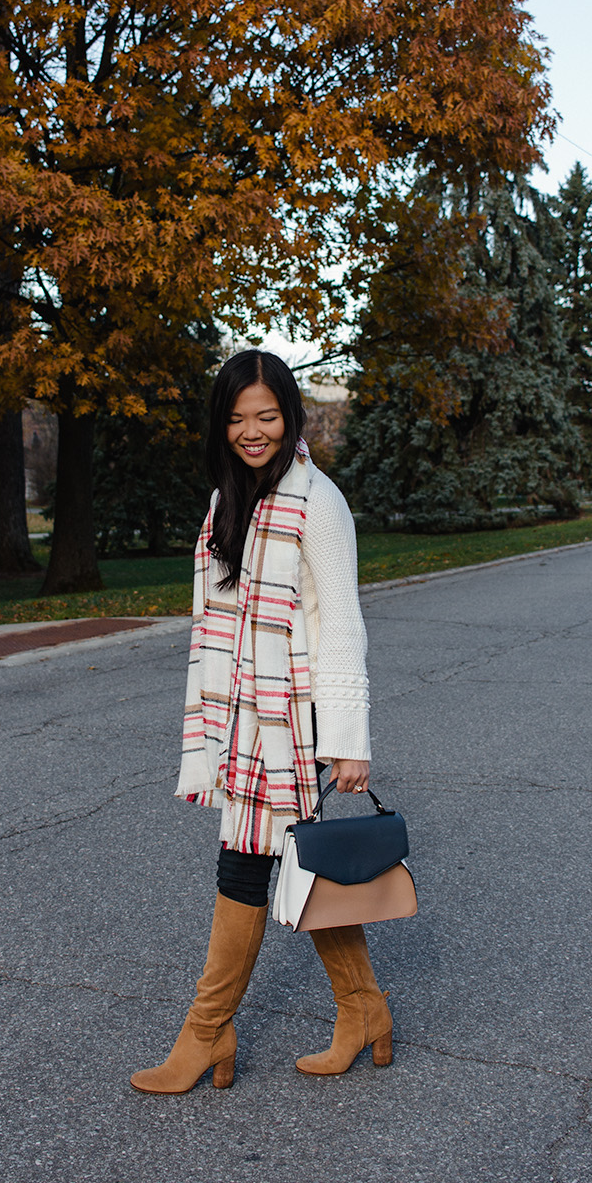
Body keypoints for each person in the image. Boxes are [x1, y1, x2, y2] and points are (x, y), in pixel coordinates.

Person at [131, 350, 392, 1095]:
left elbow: (341, 621)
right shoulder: (225, 502)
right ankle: (364, 1010)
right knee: (303, 866)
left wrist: (347, 742)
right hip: (243, 714)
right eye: (238, 418)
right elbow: (220, 616)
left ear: (291, 417)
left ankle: (207, 1031)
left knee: (247, 866)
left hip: (297, 718)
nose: (253, 431)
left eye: (267, 416)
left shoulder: (318, 500)